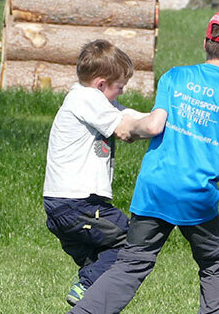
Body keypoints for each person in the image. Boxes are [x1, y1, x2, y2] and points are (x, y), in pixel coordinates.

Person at [68, 10, 219, 314]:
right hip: (195, 195)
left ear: (206, 43)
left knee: (132, 263)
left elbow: (157, 121)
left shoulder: (174, 76)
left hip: (154, 188)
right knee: (214, 263)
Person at [43, 40, 147, 307]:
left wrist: (161, 117)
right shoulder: (86, 98)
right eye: (119, 87)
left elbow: (130, 114)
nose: (121, 93)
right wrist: (156, 130)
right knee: (130, 241)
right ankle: (87, 289)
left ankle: (89, 299)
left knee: (101, 259)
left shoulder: (90, 99)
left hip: (62, 206)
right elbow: (124, 129)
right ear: (101, 84)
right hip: (79, 203)